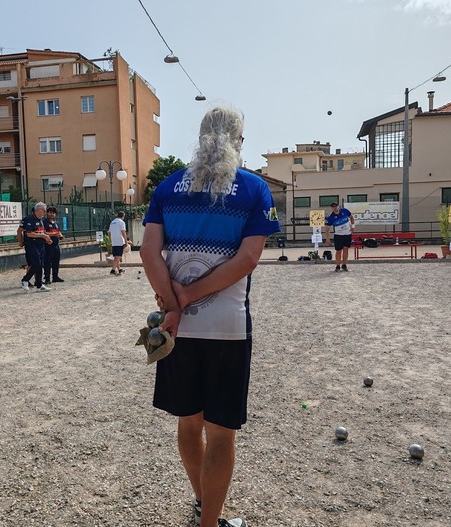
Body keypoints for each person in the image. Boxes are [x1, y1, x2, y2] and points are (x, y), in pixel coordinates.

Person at [140, 106, 280, 527]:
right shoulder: (255, 189)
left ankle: (204, 503)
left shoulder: (167, 188)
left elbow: (148, 252)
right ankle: (210, 521)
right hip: (228, 329)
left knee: (188, 422)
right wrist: (192, 296)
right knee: (221, 432)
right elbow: (249, 258)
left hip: (174, 330)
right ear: (239, 141)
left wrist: (175, 305)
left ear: (200, 138)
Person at [20, 202, 52, 292]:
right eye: (44, 211)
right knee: (36, 263)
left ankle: (39, 285)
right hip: (31, 244)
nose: (45, 213)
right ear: (39, 210)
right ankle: (25, 280)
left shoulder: (41, 220)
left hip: (40, 244)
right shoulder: (29, 219)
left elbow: (41, 232)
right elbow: (29, 234)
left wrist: (47, 238)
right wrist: (43, 236)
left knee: (40, 265)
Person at [324, 202, 355, 271]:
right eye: (333, 207)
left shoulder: (345, 211)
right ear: (331, 209)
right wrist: (327, 238)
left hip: (347, 234)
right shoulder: (331, 217)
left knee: (346, 249)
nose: (335, 208)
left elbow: (351, 217)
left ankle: (344, 264)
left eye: (336, 207)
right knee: (338, 251)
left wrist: (352, 226)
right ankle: (338, 265)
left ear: (339, 207)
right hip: (338, 235)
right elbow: (327, 228)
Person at [42, 206, 65, 284]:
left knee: (56, 261)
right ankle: (47, 278)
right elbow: (44, 232)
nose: (52, 214)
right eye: (50, 212)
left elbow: (58, 231)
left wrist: (60, 235)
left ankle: (55, 276)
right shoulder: (44, 222)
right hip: (48, 245)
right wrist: (55, 234)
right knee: (47, 262)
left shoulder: (55, 223)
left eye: (53, 213)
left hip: (56, 245)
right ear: (47, 213)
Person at [108, 211, 128, 276]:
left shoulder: (112, 222)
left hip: (114, 241)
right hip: (119, 241)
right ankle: (113, 270)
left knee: (116, 256)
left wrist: (110, 241)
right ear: (123, 216)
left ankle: (119, 269)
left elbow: (109, 233)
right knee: (118, 256)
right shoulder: (121, 222)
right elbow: (123, 232)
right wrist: (126, 241)